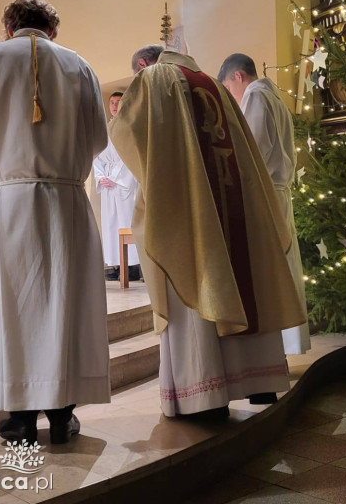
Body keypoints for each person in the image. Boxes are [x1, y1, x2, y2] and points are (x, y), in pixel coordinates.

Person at [110, 45, 306, 418]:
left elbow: (129, 134)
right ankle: (259, 383)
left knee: (196, 283)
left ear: (143, 65)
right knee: (246, 278)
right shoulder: (220, 90)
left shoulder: (156, 79)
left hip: (189, 207)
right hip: (237, 205)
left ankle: (206, 399)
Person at [0, 0, 111, 445]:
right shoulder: (78, 66)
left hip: (12, 203)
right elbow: (98, 136)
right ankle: (62, 415)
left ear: (9, 28)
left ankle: (19, 418)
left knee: (14, 308)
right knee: (64, 304)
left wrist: (4, 170)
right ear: (52, 30)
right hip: (65, 202)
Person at [218, 53, 310, 355]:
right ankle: (289, 341)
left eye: (229, 89)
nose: (232, 97)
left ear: (238, 77)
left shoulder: (256, 98)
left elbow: (251, 149)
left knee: (270, 270)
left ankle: (276, 345)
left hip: (266, 192)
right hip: (279, 191)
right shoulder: (276, 99)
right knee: (285, 264)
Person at [94, 92, 140, 281]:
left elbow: (131, 155)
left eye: (117, 102)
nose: (113, 105)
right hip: (108, 186)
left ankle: (132, 267)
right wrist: (100, 176)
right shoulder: (104, 130)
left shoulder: (130, 128)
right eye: (111, 102)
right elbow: (96, 156)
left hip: (124, 186)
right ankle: (115, 264)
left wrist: (115, 178)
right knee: (111, 224)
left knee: (126, 222)